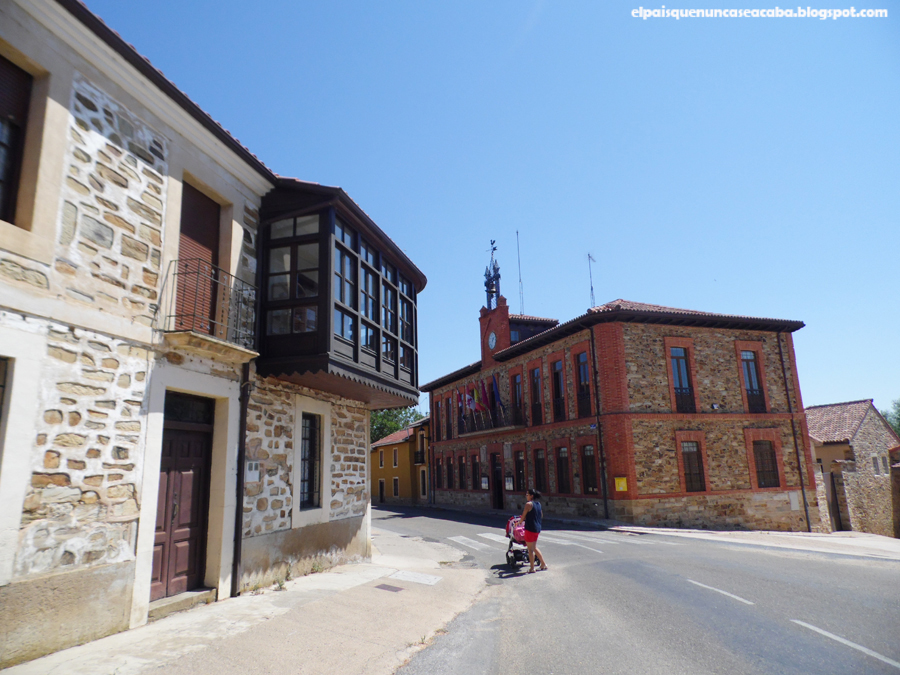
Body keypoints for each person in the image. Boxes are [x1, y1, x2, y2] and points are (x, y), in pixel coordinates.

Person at [519, 488, 547, 573]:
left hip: (530, 529)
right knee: (534, 547)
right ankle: (543, 564)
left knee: (530, 549)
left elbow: (523, 516)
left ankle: (532, 568)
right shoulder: (538, 504)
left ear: (531, 496)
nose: (526, 496)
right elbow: (541, 515)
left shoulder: (528, 504)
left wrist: (519, 523)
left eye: (527, 494)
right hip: (537, 529)